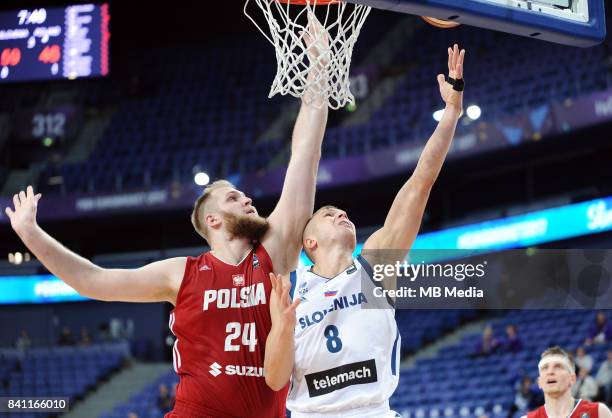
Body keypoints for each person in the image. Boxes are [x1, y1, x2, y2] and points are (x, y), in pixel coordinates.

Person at [4, 21, 328, 417]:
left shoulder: (272, 254)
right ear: (212, 220)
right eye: (233, 197)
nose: (247, 200)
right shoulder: (182, 273)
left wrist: (318, 71)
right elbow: (93, 280)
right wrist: (31, 233)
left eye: (244, 195)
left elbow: (305, 158)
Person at [264, 44, 467, 417]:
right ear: (310, 242)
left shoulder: (374, 266)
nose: (341, 213)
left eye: (342, 212)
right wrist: (282, 325)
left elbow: (420, 183)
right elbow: (275, 381)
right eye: (328, 214)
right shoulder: (290, 292)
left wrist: (451, 114)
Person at [522, 346, 612, 418]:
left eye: (558, 366)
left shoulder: (599, 412)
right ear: (539, 382)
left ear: (572, 379)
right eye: (545, 368)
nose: (550, 372)